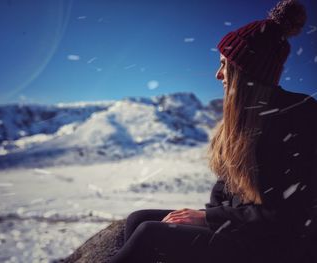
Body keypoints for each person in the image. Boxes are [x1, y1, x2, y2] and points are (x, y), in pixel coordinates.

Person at [110, 0, 317, 262]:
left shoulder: (297, 114)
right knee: (139, 218)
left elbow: (286, 215)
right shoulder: (243, 118)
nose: (218, 75)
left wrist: (208, 218)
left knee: (151, 233)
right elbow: (224, 190)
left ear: (247, 71)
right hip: (241, 227)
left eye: (224, 64)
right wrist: (208, 217)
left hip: (273, 245)